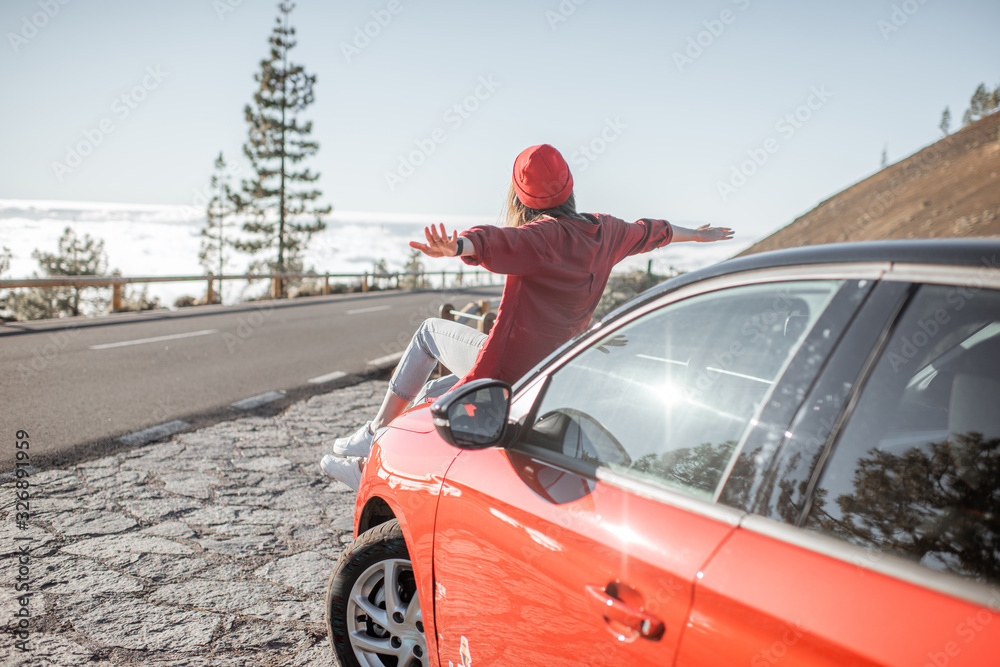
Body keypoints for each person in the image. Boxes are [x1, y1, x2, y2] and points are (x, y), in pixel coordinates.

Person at [320, 144, 733, 488]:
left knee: (430, 332)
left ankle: (372, 442)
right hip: (551, 372)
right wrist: (696, 234)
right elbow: (651, 231)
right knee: (440, 389)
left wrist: (458, 246)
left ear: (520, 198)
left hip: (507, 371)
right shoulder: (607, 232)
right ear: (570, 186)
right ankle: (376, 454)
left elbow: (497, 242)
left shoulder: (542, 237)